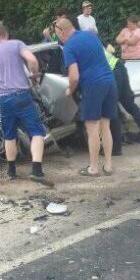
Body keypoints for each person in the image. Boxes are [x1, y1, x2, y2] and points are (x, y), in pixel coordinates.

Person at [0, 24, 51, 185]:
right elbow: (32, 60)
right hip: (21, 96)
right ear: (6, 34)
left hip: (4, 99)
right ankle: (36, 170)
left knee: (9, 135)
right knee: (36, 132)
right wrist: (34, 75)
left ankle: (11, 171)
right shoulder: (17, 44)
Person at [54, 17, 117, 177]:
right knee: (105, 126)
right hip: (109, 81)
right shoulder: (91, 35)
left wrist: (70, 90)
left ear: (61, 31)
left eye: (57, 34)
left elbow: (74, 76)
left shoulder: (69, 47)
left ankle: (93, 168)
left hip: (93, 86)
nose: (58, 37)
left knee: (92, 128)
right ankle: (108, 166)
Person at [104, 47, 140, 150]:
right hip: (118, 66)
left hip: (111, 71)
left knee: (112, 107)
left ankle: (116, 148)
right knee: (129, 105)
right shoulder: (91, 41)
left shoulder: (73, 46)